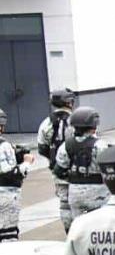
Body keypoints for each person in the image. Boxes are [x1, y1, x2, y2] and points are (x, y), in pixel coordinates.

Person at [53, 106, 111, 219]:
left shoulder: (65, 145)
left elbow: (58, 171)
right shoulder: (100, 145)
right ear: (94, 126)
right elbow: (108, 171)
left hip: (75, 194)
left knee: (79, 226)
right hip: (99, 194)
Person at [37, 88, 76, 231]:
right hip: (78, 169)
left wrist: (55, 159)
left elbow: (42, 148)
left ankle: (69, 230)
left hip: (58, 170)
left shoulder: (45, 123)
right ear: (69, 103)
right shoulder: (77, 120)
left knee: (64, 203)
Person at [0, 107, 34, 242]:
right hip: (5, 196)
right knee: (8, 237)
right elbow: (11, 174)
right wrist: (26, 163)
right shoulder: (3, 146)